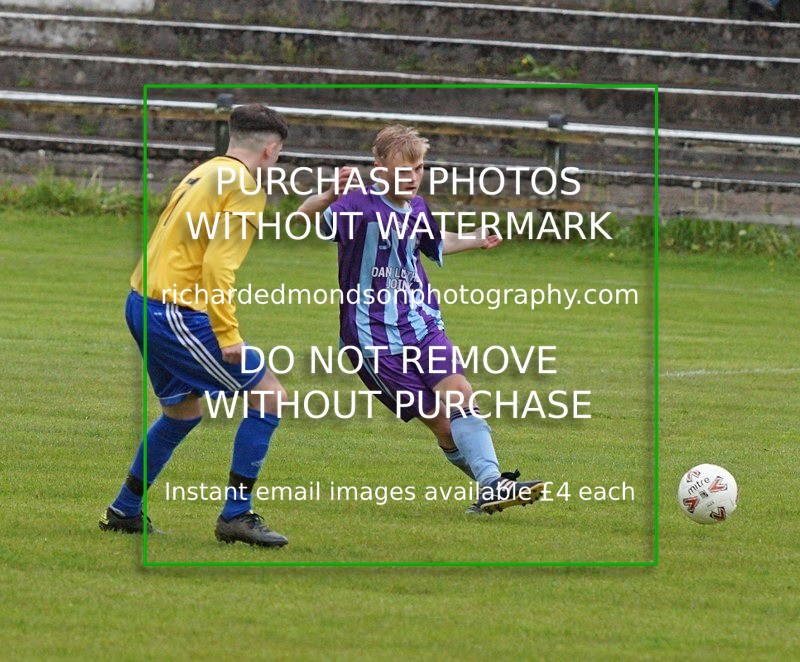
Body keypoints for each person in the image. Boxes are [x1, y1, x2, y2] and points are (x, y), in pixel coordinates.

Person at [298, 124, 544, 514]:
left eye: (418, 169)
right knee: (441, 424)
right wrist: (329, 195)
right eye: (403, 170)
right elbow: (303, 218)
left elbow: (434, 242)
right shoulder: (358, 204)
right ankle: (490, 483)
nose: (412, 178)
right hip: (373, 339)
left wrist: (476, 238)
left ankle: (492, 484)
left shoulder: (417, 207)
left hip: (421, 323)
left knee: (460, 392)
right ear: (379, 168)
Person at [100, 104, 290, 547]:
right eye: (279, 153)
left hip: (142, 301)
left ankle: (124, 510)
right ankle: (236, 516)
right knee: (269, 395)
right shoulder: (246, 186)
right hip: (174, 312)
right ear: (269, 149)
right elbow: (218, 267)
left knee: (182, 413)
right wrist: (228, 334)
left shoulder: (206, 172)